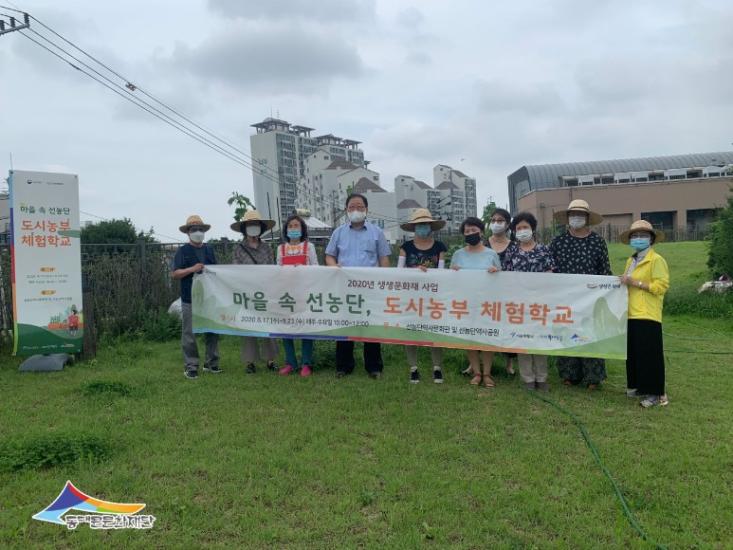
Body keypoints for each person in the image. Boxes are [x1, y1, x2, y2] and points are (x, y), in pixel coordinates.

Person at [325, 193, 391, 379]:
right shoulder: (338, 232)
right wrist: (333, 266)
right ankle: (343, 366)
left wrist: (384, 281)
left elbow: (384, 258)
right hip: (345, 287)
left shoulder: (376, 232)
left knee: (370, 325)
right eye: (352, 207)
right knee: (345, 324)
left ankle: (374, 367)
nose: (356, 210)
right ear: (346, 210)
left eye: (360, 207)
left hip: (370, 288)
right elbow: (329, 255)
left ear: (366, 210)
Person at [550, 199, 612, 390]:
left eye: (580, 214)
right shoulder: (558, 242)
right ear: (567, 218)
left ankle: (592, 377)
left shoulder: (597, 242)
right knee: (568, 333)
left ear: (587, 218)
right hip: (565, 298)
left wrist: (608, 291)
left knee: (590, 333)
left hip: (590, 298)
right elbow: (550, 269)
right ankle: (569, 374)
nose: (576, 218)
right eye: (573, 214)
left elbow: (605, 271)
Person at [618, 220, 670, 408]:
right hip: (630, 312)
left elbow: (661, 286)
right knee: (634, 352)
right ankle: (638, 386)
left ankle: (655, 393)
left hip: (648, 313)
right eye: (635, 236)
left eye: (643, 236)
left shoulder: (656, 260)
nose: (638, 239)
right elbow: (627, 282)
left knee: (650, 354)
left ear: (651, 239)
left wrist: (636, 283)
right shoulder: (631, 260)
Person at [502, 211, 555, 391]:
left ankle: (542, 378)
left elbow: (552, 273)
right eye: (518, 228)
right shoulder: (512, 250)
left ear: (532, 228)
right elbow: (506, 274)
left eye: (525, 227)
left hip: (540, 303)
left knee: (539, 339)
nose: (522, 230)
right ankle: (527, 379)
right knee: (523, 339)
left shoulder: (543, 249)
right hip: (518, 304)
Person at [450, 216, 501, 388]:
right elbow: (451, 280)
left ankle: (487, 373)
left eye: (473, 230)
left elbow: (502, 279)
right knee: (469, 338)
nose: (470, 233)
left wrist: (496, 271)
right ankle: (476, 372)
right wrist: (454, 272)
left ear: (481, 232)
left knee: (486, 337)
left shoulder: (491, 254)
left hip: (487, 303)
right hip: (465, 303)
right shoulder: (458, 255)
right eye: (467, 231)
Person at [398, 208, 447, 384]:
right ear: (414, 228)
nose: (423, 228)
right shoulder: (406, 247)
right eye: (419, 225)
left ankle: (437, 367)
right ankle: (413, 368)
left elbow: (441, 272)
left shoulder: (440, 247)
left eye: (426, 224)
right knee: (411, 330)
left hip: (433, 296)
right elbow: (399, 272)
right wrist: (415, 271)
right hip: (411, 296)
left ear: (431, 226)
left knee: (434, 331)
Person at [171, 215, 220, 379]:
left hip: (208, 298)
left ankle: (211, 363)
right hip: (189, 298)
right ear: (188, 233)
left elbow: (217, 271)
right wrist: (192, 269)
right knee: (189, 333)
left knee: (212, 330)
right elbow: (175, 273)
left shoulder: (209, 250)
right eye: (194, 229)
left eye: (200, 229)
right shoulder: (182, 251)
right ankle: (191, 366)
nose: (197, 232)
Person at [231, 210, 280, 374]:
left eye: (256, 225)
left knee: (268, 325)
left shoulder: (267, 248)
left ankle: (271, 360)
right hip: (247, 293)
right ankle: (250, 362)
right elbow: (236, 271)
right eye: (250, 225)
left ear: (261, 228)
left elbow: (273, 269)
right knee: (248, 325)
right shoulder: (238, 249)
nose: (253, 228)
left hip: (266, 292)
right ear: (245, 228)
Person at [276, 214, 319, 377]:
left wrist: (302, 268)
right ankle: (290, 363)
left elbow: (316, 268)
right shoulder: (281, 249)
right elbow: (277, 271)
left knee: (306, 327)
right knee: (286, 328)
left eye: (297, 226)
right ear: (286, 230)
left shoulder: (309, 247)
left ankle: (306, 364)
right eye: (290, 226)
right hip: (286, 294)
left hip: (305, 292)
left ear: (302, 229)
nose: (293, 229)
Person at [485, 207, 518, 376]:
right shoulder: (483, 243)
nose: (496, 223)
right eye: (493, 220)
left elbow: (515, 268)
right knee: (482, 325)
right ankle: (476, 363)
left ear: (507, 225)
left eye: (500, 220)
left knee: (508, 325)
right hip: (485, 293)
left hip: (507, 293)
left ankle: (509, 362)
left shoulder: (513, 246)